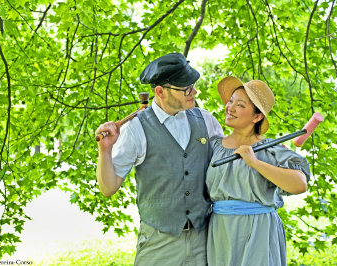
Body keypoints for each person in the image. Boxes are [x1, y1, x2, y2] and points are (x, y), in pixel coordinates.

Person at [95, 53, 223, 265]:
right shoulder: (136, 128)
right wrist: (105, 151)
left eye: (193, 85)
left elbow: (230, 161)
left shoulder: (206, 120)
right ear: (160, 92)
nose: (194, 92)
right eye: (186, 89)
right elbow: (108, 188)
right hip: (158, 244)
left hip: (204, 240)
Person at [206, 76, 311, 266]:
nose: (230, 107)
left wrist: (255, 162)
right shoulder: (213, 147)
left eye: (240, 105)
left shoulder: (271, 150)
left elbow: (299, 184)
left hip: (259, 230)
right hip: (221, 231)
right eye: (230, 101)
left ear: (257, 116)